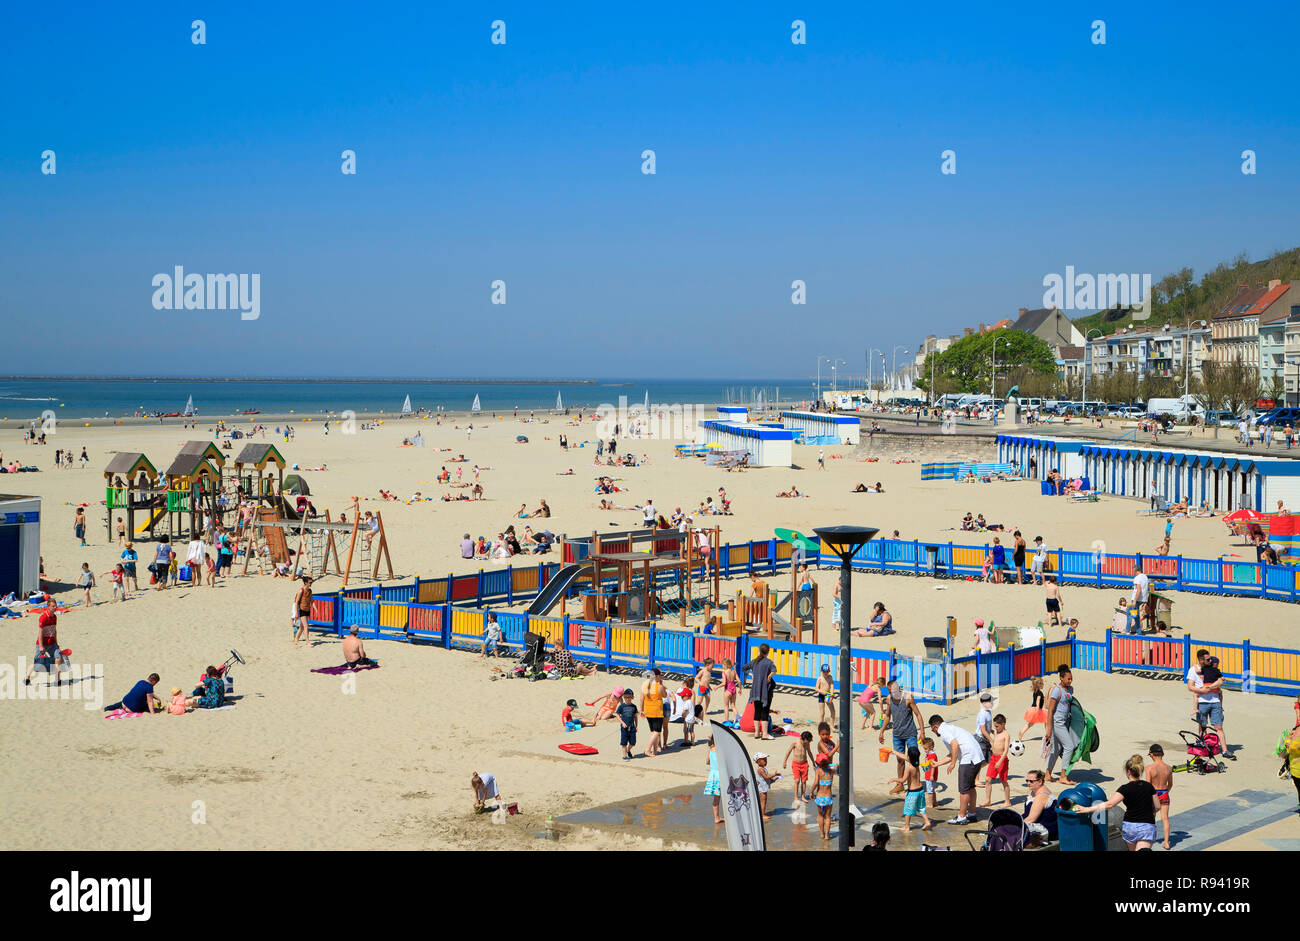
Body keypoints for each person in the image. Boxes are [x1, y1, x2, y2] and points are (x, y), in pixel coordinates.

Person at [1066, 755, 1160, 851]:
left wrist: (1087, 809)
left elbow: (1109, 804)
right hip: (1146, 827)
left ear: (1128, 772)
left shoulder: (1124, 788)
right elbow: (1157, 806)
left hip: (1130, 827)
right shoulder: (1149, 787)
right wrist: (1152, 814)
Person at [928, 713, 985, 825]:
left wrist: (953, 763)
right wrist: (937, 764)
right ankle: (972, 814)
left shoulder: (943, 732)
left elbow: (955, 745)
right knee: (971, 787)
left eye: (932, 730)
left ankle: (961, 817)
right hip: (977, 757)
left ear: (935, 727)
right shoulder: (950, 728)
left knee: (963, 791)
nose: (934, 732)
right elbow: (953, 752)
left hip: (968, 759)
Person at [880, 677, 925, 794]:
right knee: (900, 760)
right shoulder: (889, 699)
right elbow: (887, 716)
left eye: (894, 691)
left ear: (898, 689)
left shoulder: (908, 698)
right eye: (890, 692)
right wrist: (882, 731)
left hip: (910, 734)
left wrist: (922, 732)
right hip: (897, 735)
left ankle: (916, 785)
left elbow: (918, 715)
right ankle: (900, 785)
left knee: (913, 760)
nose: (892, 693)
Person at [1187, 648, 1233, 760]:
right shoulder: (1193, 670)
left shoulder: (1213, 668)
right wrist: (1202, 691)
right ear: (1201, 659)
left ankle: (1225, 750)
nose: (1210, 660)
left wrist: (1210, 687)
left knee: (1219, 727)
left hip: (1215, 701)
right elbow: (1190, 686)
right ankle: (1203, 747)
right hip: (1202, 702)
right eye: (1207, 659)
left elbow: (1221, 680)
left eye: (1210, 658)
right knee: (1202, 726)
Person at [1046, 666, 1080, 785]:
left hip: (1066, 720)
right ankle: (1063, 776)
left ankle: (1047, 774)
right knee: (1069, 746)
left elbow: (1072, 705)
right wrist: (1048, 728)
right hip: (1057, 721)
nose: (1070, 681)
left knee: (1056, 749)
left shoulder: (1070, 689)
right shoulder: (1057, 690)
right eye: (1068, 679)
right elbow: (1050, 710)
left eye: (1071, 679)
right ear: (1061, 678)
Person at [888, 745, 932, 832]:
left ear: (909, 757)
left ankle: (907, 826)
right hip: (920, 790)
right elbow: (905, 757)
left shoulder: (909, 768)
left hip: (912, 792)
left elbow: (903, 780)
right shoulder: (916, 763)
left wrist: (894, 779)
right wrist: (893, 752)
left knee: (908, 809)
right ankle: (927, 821)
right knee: (921, 807)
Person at [742, 643, 777, 740]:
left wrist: (751, 674)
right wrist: (769, 676)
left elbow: (744, 668)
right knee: (765, 711)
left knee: (757, 710)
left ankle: (757, 733)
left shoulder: (754, 661)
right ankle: (765, 734)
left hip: (755, 690)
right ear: (767, 652)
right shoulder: (768, 662)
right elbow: (774, 670)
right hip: (765, 690)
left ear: (759, 651)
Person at [24, 603, 63, 687]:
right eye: (53, 606)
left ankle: (57, 679)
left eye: (55, 606)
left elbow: (54, 631)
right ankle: (27, 678)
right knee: (37, 662)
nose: (55, 607)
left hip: (52, 643)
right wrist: (41, 646)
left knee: (58, 658)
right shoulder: (43, 617)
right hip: (42, 643)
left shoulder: (55, 617)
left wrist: (56, 642)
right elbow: (40, 633)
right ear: (48, 607)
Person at [1144, 743, 1174, 850]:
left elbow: (1148, 785)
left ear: (1151, 754)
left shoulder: (1149, 768)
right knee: (1165, 818)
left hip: (1154, 794)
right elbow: (1170, 784)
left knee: (1151, 817)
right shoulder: (1168, 768)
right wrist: (1166, 792)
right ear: (1163, 754)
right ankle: (1166, 842)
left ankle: (1149, 839)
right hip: (1164, 793)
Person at [981, 715, 1012, 808]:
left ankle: (1007, 801)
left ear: (1003, 724)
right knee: (987, 779)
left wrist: (1000, 761)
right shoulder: (996, 732)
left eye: (997, 726)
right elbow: (988, 728)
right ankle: (987, 800)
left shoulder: (1006, 734)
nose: (996, 728)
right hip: (993, 758)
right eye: (995, 726)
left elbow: (1006, 750)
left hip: (1001, 759)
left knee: (1004, 781)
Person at [1021, 769, 1058, 845]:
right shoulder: (1034, 791)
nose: (1028, 783)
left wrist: (1014, 825)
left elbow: (1032, 819)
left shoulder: (1041, 796)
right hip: (1036, 824)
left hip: (1045, 828)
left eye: (1031, 781)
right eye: (1027, 780)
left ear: (1040, 781)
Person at [640, 668, 667, 756]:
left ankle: (655, 750)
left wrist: (641, 709)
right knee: (657, 731)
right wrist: (662, 684)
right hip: (657, 710)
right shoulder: (659, 686)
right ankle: (647, 749)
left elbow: (641, 698)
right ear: (657, 676)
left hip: (647, 709)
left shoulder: (645, 685)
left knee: (653, 731)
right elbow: (665, 695)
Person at [784, 731, 814, 803]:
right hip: (796, 764)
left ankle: (803, 796)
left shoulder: (807, 744)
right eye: (806, 742)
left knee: (804, 781)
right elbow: (788, 751)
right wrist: (785, 761)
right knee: (797, 780)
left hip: (804, 764)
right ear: (803, 739)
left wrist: (813, 762)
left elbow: (809, 752)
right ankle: (796, 797)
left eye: (808, 742)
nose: (807, 743)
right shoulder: (795, 742)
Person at [812, 754, 835, 840]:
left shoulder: (818, 771)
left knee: (820, 816)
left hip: (820, 797)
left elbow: (815, 783)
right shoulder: (831, 771)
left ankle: (822, 834)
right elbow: (837, 766)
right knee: (828, 817)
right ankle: (827, 836)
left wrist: (811, 792)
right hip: (828, 797)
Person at [1018, 675, 1049, 741]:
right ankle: (1047, 735)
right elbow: (1038, 701)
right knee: (1046, 720)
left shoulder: (1035, 692)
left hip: (1032, 709)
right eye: (1042, 683)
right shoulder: (1039, 693)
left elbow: (1039, 699)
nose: (1043, 684)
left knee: (1030, 724)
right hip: (1036, 709)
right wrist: (1038, 709)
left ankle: (1022, 732)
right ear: (1039, 685)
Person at [754, 753, 780, 820]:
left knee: (764, 801)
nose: (766, 761)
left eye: (766, 760)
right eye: (764, 760)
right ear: (758, 762)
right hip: (762, 789)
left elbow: (765, 779)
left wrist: (772, 780)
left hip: (764, 787)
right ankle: (762, 815)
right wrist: (774, 774)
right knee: (763, 801)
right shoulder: (760, 769)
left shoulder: (763, 768)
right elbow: (766, 777)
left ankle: (762, 813)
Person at [1128, 562, 1150, 634]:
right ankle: (1139, 631)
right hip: (1143, 598)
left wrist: (1134, 600)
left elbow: (1138, 590)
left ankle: (1127, 630)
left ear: (1135, 571)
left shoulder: (1137, 578)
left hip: (1137, 598)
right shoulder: (1145, 576)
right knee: (1135, 614)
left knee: (1130, 613)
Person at [704, 738, 723, 821]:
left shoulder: (711, 749)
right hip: (720, 775)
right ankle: (719, 817)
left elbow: (707, 762)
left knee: (716, 797)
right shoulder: (721, 750)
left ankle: (716, 817)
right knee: (724, 796)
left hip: (713, 775)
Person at [293, 576, 314, 647]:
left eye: (312, 582)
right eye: (310, 582)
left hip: (307, 609)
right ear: (306, 583)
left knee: (301, 627)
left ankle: (296, 640)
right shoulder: (301, 591)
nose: (311, 584)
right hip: (301, 610)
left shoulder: (310, 591)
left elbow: (311, 600)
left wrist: (315, 609)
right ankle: (308, 642)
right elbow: (296, 602)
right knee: (306, 626)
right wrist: (296, 612)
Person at [720, 658, 740, 722]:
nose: (722, 666)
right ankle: (737, 719)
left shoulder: (724, 673)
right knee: (733, 705)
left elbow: (724, 683)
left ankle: (726, 720)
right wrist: (740, 689)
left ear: (726, 665)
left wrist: (717, 686)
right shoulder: (734, 672)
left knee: (726, 706)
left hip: (727, 690)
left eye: (723, 664)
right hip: (734, 689)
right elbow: (739, 681)